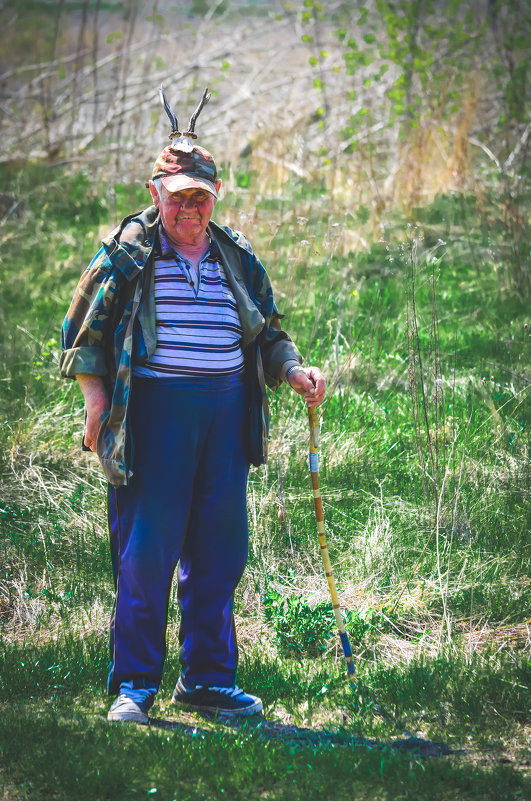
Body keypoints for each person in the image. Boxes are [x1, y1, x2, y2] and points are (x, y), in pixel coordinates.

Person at [60, 90, 325, 724]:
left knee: (219, 549)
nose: (189, 206)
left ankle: (206, 679)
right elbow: (83, 333)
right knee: (146, 551)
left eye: (200, 195)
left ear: (214, 196)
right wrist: (96, 402)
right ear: (156, 192)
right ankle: (136, 686)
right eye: (177, 194)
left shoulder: (236, 255)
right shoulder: (126, 253)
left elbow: (267, 332)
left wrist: (292, 369)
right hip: (156, 414)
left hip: (227, 416)